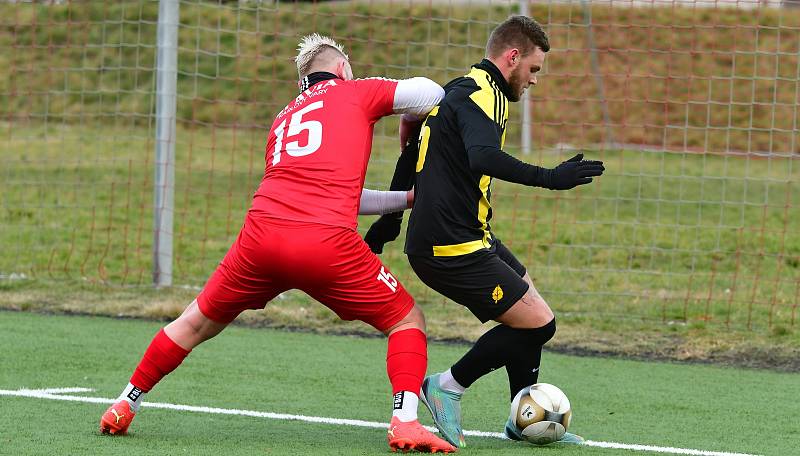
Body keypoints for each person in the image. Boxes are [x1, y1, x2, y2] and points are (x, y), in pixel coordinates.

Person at [99, 33, 457, 454]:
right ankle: (405, 421)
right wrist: (406, 122)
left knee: (194, 322)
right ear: (341, 68)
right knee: (406, 319)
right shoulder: (354, 91)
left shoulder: (283, 118)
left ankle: (124, 403)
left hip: (260, 239)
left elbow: (329, 191)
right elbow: (431, 92)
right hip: (324, 242)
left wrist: (406, 200)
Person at [365, 16, 604, 448]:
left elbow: (411, 154)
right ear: (512, 57)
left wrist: (388, 224)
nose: (534, 81)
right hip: (448, 244)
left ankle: (520, 417)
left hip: (466, 233)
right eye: (533, 70)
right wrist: (552, 177)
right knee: (539, 324)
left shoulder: (459, 89)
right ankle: (447, 386)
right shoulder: (484, 95)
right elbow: (482, 156)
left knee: (531, 306)